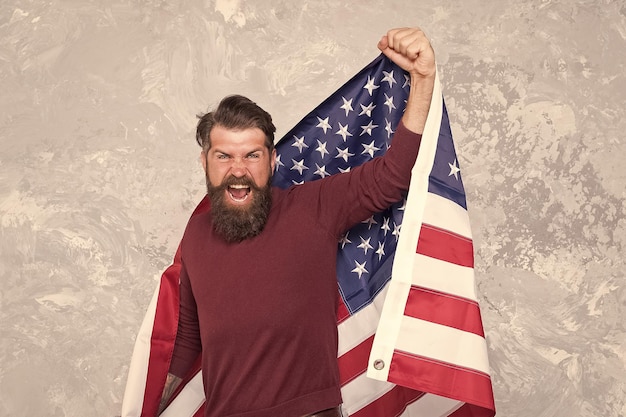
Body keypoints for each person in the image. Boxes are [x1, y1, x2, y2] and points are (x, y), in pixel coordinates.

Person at [159, 27, 436, 417]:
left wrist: (422, 80)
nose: (238, 170)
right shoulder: (197, 233)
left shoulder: (313, 207)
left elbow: (391, 177)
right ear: (204, 163)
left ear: (272, 162)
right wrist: (149, 401)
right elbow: (188, 335)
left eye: (252, 155)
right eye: (224, 156)